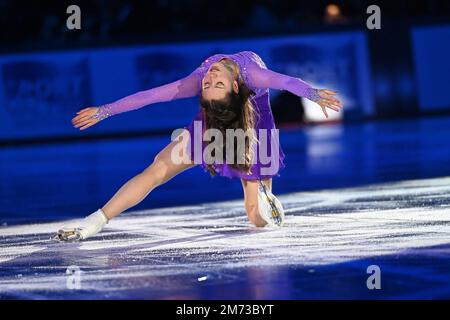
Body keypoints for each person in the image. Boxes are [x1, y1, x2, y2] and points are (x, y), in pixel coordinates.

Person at [55, 51, 342, 241]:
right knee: (158, 168)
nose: (209, 78)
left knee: (254, 216)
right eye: (209, 84)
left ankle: (265, 198)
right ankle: (96, 220)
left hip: (256, 125)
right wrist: (105, 111)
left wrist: (314, 93)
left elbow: (288, 82)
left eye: (213, 83)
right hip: (215, 122)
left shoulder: (251, 76)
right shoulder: (232, 78)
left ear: (234, 87)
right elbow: (150, 96)